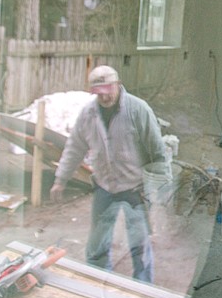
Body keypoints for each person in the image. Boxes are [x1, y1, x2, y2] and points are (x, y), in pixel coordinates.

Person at [50, 65, 167, 283]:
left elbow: (157, 151)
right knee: (97, 245)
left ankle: (142, 288)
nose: (104, 95)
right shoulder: (88, 114)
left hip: (136, 190)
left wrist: (161, 189)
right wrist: (61, 179)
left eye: (108, 89)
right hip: (104, 187)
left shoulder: (138, 109)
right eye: (98, 91)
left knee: (139, 245)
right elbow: (75, 147)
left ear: (118, 84)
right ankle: (97, 282)